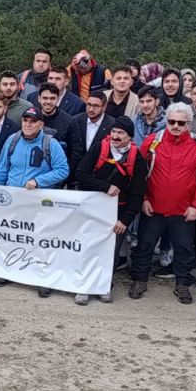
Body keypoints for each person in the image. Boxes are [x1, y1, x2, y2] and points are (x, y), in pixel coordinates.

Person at [130, 103, 196, 304]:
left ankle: (183, 283)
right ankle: (139, 280)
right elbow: (139, 173)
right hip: (154, 206)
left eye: (181, 122)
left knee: (184, 247)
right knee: (145, 245)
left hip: (183, 209)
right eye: (171, 121)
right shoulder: (152, 141)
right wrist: (144, 199)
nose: (175, 125)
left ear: (189, 124)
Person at [0, 106, 69, 297]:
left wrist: (39, 181)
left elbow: (63, 170)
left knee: (39, 240)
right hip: (14, 200)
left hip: (39, 202)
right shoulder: (13, 140)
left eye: (33, 121)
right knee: (11, 237)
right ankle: (8, 271)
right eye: (25, 120)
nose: (28, 124)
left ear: (41, 124)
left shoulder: (51, 144)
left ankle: (42, 278)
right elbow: (2, 168)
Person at [73, 117, 147, 304]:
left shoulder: (136, 158)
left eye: (120, 133)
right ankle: (84, 286)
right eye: (113, 132)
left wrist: (125, 220)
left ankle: (104, 285)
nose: (115, 136)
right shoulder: (99, 148)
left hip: (118, 213)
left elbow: (137, 193)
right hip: (92, 209)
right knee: (89, 247)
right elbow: (81, 174)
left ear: (130, 137)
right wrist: (105, 187)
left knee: (110, 252)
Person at [66, 92, 115, 172]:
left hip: (98, 172)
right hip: (75, 170)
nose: (91, 109)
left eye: (96, 106)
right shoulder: (75, 120)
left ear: (104, 107)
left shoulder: (112, 124)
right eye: (89, 104)